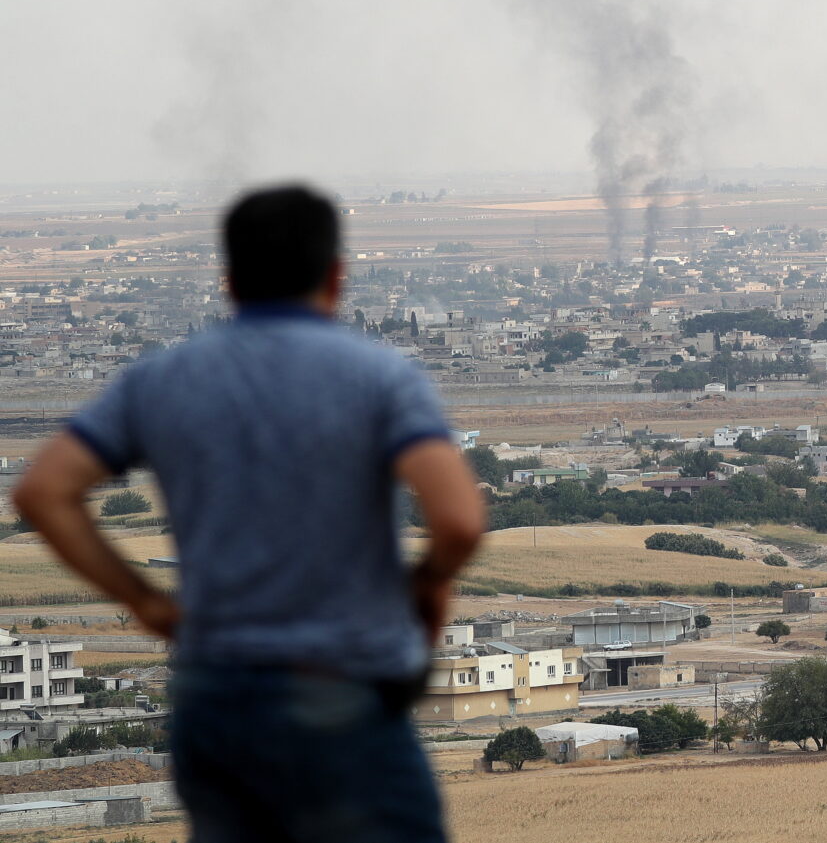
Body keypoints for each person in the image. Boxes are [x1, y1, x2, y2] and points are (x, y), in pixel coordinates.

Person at [13, 185, 485, 842]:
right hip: (341, 691)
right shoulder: (380, 376)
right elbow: (460, 520)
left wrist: (144, 599)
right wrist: (427, 582)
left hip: (214, 696)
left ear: (229, 279)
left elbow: (42, 491)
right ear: (337, 274)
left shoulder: (162, 378)